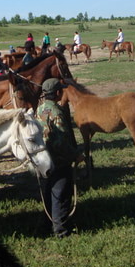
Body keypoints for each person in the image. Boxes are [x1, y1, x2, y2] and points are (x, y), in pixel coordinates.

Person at [35, 79, 84, 238]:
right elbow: (60, 141)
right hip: (59, 161)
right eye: (60, 90)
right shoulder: (57, 112)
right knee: (60, 195)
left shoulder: (39, 109)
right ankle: (61, 230)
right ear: (57, 93)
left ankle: (46, 223)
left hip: (43, 161)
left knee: (48, 193)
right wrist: (75, 155)